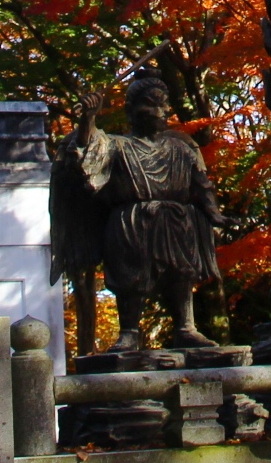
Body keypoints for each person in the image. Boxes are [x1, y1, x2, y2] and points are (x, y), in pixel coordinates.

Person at [68, 71, 223, 350]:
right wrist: (88, 118)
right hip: (132, 221)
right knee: (131, 276)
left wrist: (215, 213)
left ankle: (185, 326)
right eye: (152, 103)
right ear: (131, 109)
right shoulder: (116, 145)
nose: (162, 111)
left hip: (177, 220)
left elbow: (202, 185)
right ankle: (128, 330)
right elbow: (85, 154)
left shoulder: (182, 146)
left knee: (181, 273)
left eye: (164, 104)